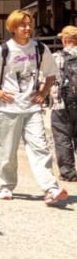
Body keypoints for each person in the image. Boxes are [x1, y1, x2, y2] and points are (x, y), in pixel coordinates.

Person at [0, 10, 68, 205]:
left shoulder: (40, 49)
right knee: (7, 150)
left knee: (40, 147)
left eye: (29, 24)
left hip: (32, 108)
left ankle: (50, 188)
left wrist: (44, 92)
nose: (27, 28)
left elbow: (51, 73)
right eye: (22, 25)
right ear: (12, 28)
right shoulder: (3, 50)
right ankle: (6, 185)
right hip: (8, 107)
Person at [51, 26, 77, 182]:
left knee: (62, 137)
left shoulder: (56, 57)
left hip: (61, 104)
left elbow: (45, 79)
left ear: (65, 40)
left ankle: (68, 173)